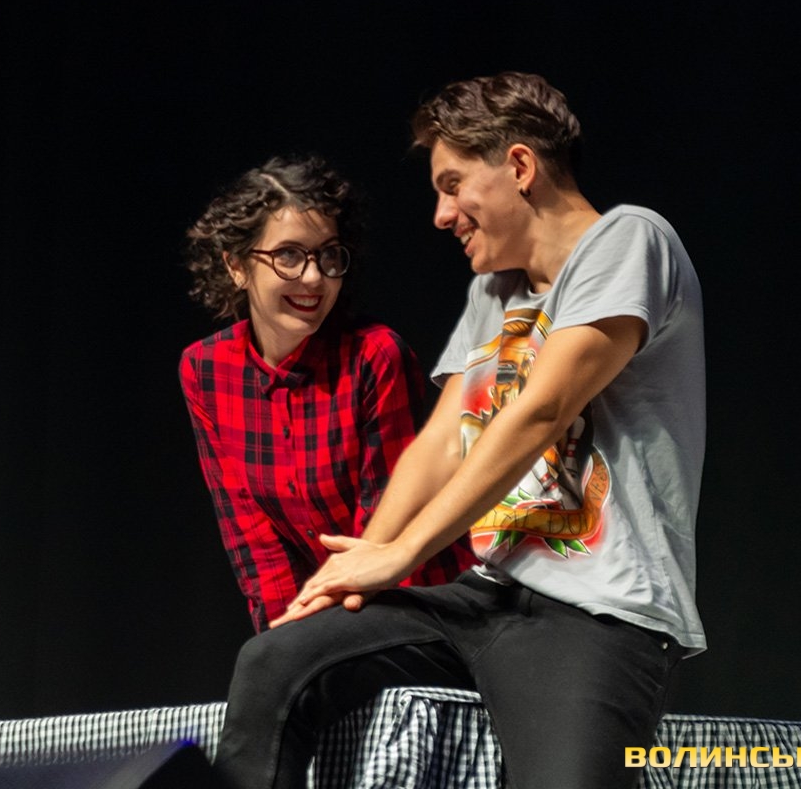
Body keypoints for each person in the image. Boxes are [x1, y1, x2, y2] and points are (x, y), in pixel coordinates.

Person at [215, 74, 707, 789]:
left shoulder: (630, 239)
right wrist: (359, 563)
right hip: (484, 598)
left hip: (599, 615)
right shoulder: (494, 289)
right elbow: (442, 442)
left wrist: (404, 553)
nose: (442, 215)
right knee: (277, 660)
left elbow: (540, 412)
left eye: (452, 186)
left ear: (519, 166)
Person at [179, 154, 475, 632]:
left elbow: (383, 524)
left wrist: (320, 640)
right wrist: (286, 634)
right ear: (237, 266)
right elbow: (250, 536)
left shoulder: (374, 356)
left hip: (420, 602)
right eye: (288, 255)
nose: (314, 277)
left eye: (328, 255)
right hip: (318, 614)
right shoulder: (206, 369)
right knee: (268, 664)